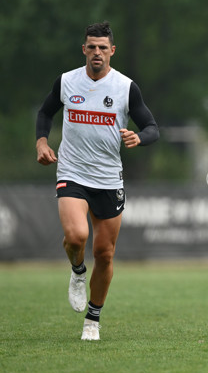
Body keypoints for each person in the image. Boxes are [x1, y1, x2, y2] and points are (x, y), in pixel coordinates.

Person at [35, 22, 159, 340]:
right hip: (72, 171)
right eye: (91, 47)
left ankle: (93, 319)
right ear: (84, 50)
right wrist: (41, 142)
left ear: (112, 51)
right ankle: (78, 271)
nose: (97, 53)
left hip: (108, 178)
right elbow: (46, 112)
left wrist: (139, 138)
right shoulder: (66, 82)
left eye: (103, 48)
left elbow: (152, 127)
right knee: (76, 237)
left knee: (104, 253)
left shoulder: (125, 87)